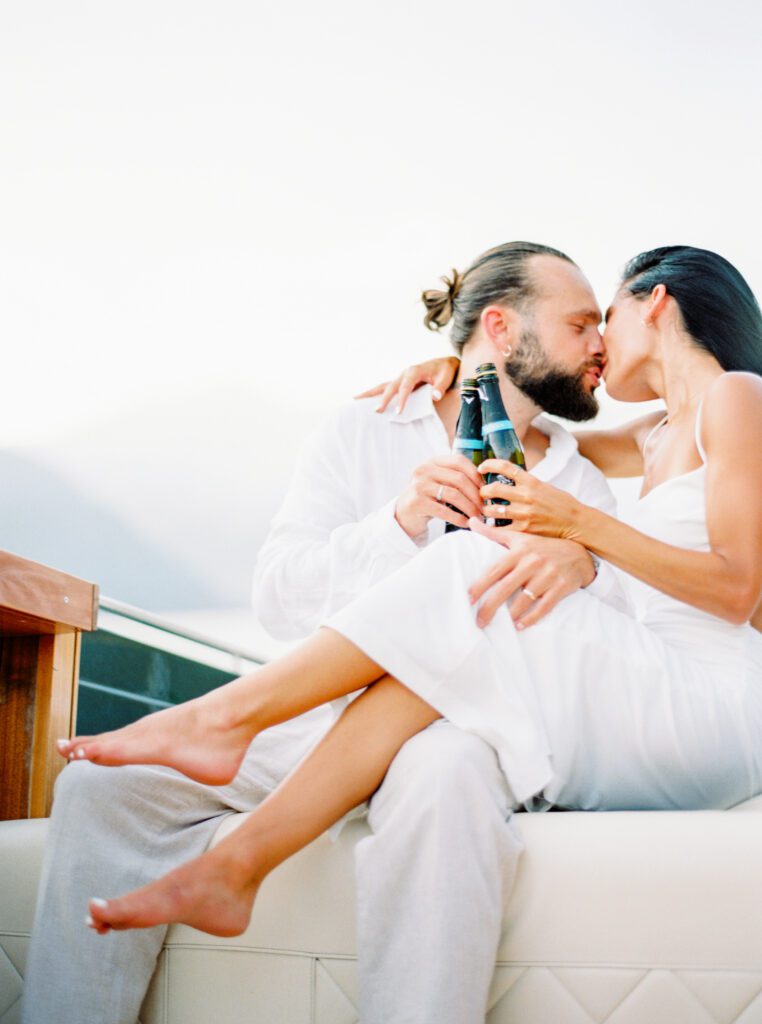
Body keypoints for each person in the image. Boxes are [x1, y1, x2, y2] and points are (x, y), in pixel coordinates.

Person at [57, 245, 762, 951]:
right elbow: (529, 410)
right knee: (463, 618)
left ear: (659, 303)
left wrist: (582, 536)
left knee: (472, 572)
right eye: (588, 324)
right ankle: (235, 868)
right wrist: (461, 369)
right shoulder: (656, 432)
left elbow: (736, 590)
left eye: (607, 316)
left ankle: (222, 719)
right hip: (634, 684)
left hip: (705, 702)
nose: (602, 345)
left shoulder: (736, 397)